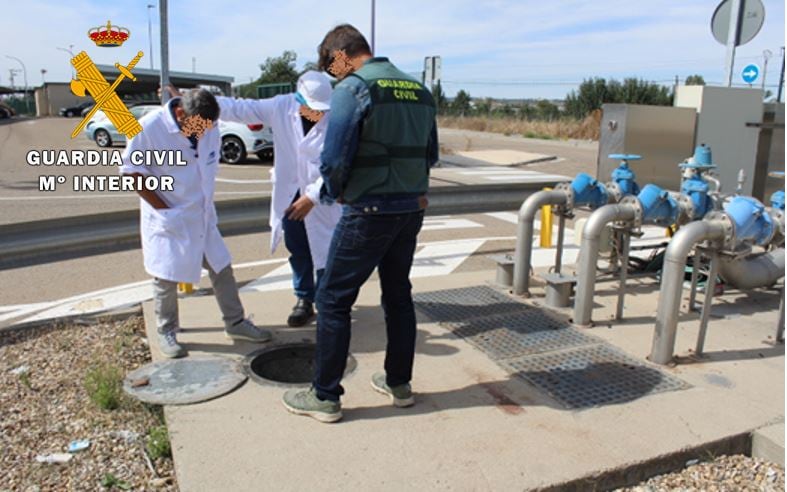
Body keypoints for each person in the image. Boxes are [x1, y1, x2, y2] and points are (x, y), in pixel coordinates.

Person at [282, 24, 439, 423]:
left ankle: (325, 396)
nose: (331, 74)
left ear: (341, 54)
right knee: (398, 296)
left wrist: (335, 193)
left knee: (332, 300)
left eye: (330, 65)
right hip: (409, 210)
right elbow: (431, 155)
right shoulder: (420, 91)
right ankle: (398, 384)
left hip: (367, 211)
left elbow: (333, 159)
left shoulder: (353, 88)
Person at [120, 88, 272, 359]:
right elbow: (133, 173)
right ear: (179, 114)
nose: (203, 133)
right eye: (198, 128)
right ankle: (167, 330)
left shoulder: (206, 122)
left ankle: (235, 323)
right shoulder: (149, 129)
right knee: (165, 277)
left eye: (208, 128)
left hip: (201, 216)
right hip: (169, 215)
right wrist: (166, 211)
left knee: (222, 268)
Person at [214, 71, 341, 327]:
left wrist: (312, 196)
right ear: (298, 99)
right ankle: (304, 299)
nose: (317, 114)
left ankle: (330, 303)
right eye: (311, 108)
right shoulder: (282, 106)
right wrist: (201, 102)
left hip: (322, 193)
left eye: (321, 109)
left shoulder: (337, 117)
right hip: (291, 192)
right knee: (298, 248)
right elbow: (240, 109)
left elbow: (339, 163)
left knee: (329, 250)